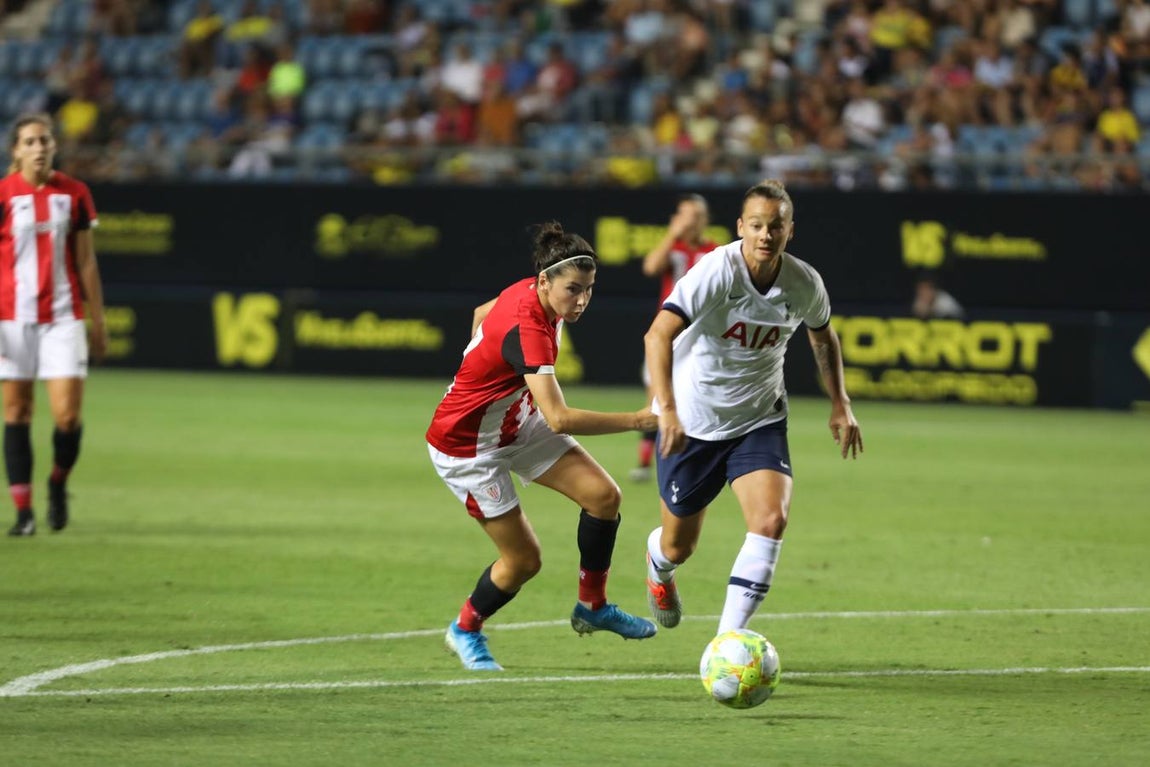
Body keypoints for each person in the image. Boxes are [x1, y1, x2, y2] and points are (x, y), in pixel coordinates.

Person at [426, 221, 658, 671]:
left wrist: (485, 375)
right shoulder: (529, 328)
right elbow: (561, 418)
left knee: (603, 497)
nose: (582, 300)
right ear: (545, 282)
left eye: (589, 289)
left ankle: (592, 607)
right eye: (574, 290)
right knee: (523, 561)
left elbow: (480, 313)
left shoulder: (529, 292)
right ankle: (465, 629)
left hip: (515, 423)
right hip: (468, 448)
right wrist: (639, 420)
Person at [641, 179, 863, 634]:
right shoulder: (714, 271)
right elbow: (657, 335)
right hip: (694, 421)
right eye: (757, 225)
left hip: (759, 419)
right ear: (741, 227)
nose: (766, 234)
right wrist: (666, 409)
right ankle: (658, 567)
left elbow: (823, 336)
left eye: (775, 226)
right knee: (678, 546)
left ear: (789, 231)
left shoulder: (803, 283)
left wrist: (840, 402)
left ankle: (727, 642)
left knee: (771, 519)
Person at [1, 115, 107, 536]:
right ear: (16, 151)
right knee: (17, 411)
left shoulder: (75, 193)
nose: (39, 147)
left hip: (63, 317)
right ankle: (23, 513)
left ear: (55, 146)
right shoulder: (4, 195)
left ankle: (58, 483)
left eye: (45, 140)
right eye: (30, 141)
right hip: (12, 318)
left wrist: (98, 319)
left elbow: (85, 261)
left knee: (66, 416)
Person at [630, 193, 716, 483]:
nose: (688, 221)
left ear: (704, 219)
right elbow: (651, 267)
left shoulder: (715, 251)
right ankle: (646, 462)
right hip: (667, 334)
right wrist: (671, 234)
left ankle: (701, 459)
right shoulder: (673, 248)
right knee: (656, 397)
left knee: (701, 397)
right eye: (683, 214)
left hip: (702, 337)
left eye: (694, 215)